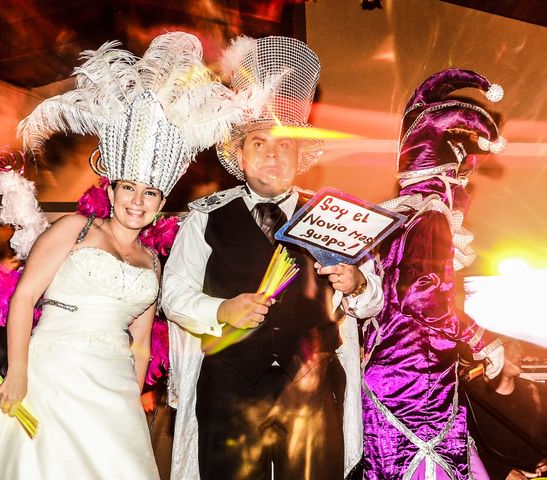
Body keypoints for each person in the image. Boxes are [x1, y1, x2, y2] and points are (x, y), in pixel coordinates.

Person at [0, 32, 247, 479]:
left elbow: (139, 341)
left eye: (150, 192)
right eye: (128, 188)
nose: (138, 200)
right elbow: (22, 300)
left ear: (159, 201)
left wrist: (130, 397)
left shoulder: (152, 262)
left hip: (113, 393)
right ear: (111, 190)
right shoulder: (74, 229)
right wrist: (18, 372)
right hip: (53, 375)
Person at [162, 35, 384, 480]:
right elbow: (173, 294)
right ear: (239, 156)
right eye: (259, 143)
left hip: (313, 389)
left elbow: (374, 299)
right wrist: (221, 309)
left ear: (299, 157)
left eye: (284, 145)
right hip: (229, 390)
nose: (272, 154)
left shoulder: (333, 216)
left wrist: (358, 284)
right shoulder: (203, 220)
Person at [361, 69, 508, 479]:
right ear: (442, 182)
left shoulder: (395, 220)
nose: (462, 190)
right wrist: (480, 340)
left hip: (393, 377)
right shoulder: (430, 219)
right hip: (415, 386)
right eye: (457, 178)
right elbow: (423, 297)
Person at [466, 341, 547, 480]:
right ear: (489, 355)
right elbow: (462, 448)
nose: (518, 352)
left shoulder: (538, 392)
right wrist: (502, 472)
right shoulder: (468, 395)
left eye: (518, 346)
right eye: (508, 347)